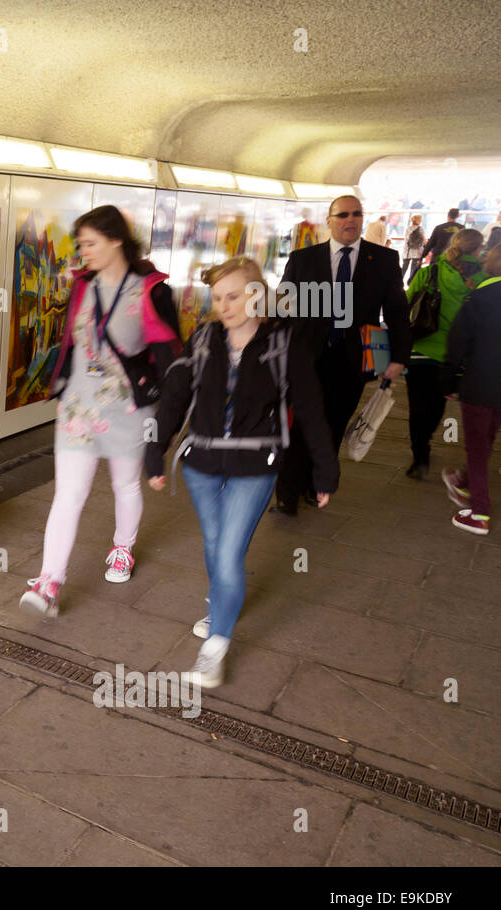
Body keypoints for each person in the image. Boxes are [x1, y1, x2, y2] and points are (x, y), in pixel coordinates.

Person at [146, 257, 337, 687]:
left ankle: (215, 647)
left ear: (257, 296)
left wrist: (325, 470)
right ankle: (220, 606)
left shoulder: (284, 345)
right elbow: (175, 397)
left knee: (229, 552)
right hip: (201, 465)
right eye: (217, 298)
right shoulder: (203, 339)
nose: (224, 306)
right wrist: (154, 451)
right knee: (215, 545)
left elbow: (310, 409)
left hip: (255, 465)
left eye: (233, 296)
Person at [20, 205, 182, 616]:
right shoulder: (82, 287)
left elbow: (170, 358)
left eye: (90, 243)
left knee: (125, 486)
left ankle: (122, 548)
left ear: (116, 241)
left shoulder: (151, 290)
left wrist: (166, 422)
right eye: (80, 244)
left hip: (128, 408)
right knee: (68, 494)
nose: (83, 251)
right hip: (79, 406)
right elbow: (73, 343)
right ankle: (49, 581)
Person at [273, 194, 410, 514]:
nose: (351, 220)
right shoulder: (303, 259)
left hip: (352, 360)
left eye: (357, 214)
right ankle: (286, 493)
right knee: (299, 424)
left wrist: (399, 357)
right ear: (330, 221)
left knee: (334, 424)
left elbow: (397, 313)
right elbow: (281, 308)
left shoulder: (385, 261)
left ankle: (315, 484)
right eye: (343, 214)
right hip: (306, 358)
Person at [404, 229, 486, 478]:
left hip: (419, 350)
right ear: (477, 250)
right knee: (437, 403)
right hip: (453, 358)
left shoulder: (430, 272)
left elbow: (406, 303)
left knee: (417, 406)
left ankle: (420, 456)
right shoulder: (483, 280)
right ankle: (428, 435)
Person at [440, 243, 501, 534]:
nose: (484, 257)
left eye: (489, 255)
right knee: (485, 439)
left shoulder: (478, 298)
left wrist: (449, 381)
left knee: (477, 446)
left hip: (480, 385)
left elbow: (457, 344)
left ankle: (479, 513)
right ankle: (464, 482)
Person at [404, 214, 426, 280]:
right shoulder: (421, 229)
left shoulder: (408, 229)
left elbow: (406, 240)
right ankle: (410, 284)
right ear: (418, 221)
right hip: (417, 252)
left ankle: (399, 282)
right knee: (413, 269)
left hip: (408, 251)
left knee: (404, 268)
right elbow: (424, 240)